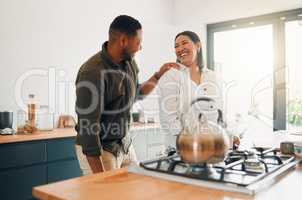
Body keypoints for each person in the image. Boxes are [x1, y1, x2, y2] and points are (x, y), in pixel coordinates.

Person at [75, 15, 179, 174]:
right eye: (138, 42)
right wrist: (99, 178)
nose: (140, 47)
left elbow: (136, 94)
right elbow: (88, 129)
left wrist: (158, 75)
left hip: (124, 145)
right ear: (123, 40)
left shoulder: (129, 63)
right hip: (101, 151)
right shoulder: (92, 72)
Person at [157, 31, 239, 149]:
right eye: (176, 46)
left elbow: (218, 113)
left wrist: (229, 135)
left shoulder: (212, 76)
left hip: (210, 147)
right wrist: (188, 140)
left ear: (198, 46)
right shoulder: (170, 76)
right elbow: (168, 116)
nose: (180, 48)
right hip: (180, 149)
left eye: (184, 43)